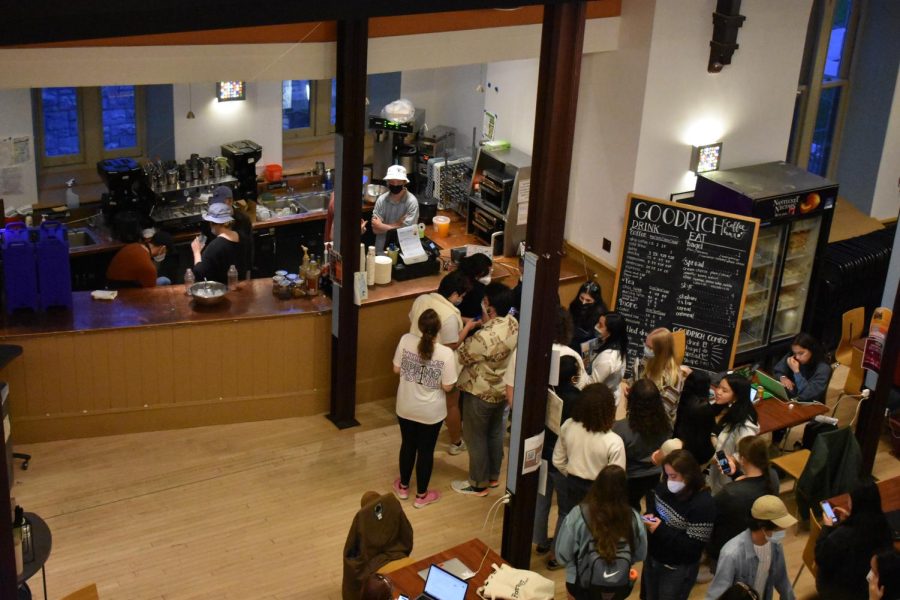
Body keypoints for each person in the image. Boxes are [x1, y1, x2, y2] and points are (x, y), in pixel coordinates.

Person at [451, 283, 518, 497]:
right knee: (495, 432)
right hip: (503, 390)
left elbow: (462, 355)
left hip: (479, 392)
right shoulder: (513, 323)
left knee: (475, 436)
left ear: (490, 307)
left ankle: (478, 484)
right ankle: (493, 476)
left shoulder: (484, 338)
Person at [551, 383, 625, 569]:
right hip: (599, 490)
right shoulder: (613, 441)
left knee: (566, 517)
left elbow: (558, 460)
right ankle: (588, 559)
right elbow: (617, 475)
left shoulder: (568, 425)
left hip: (572, 482)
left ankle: (558, 555)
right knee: (596, 525)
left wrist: (573, 472)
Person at [392, 309, 458, 509]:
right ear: (439, 329)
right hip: (431, 412)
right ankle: (421, 495)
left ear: (419, 326)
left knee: (408, 445)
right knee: (426, 451)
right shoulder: (445, 354)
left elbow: (396, 368)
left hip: (405, 405)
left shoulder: (406, 340)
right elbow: (448, 386)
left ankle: (403, 487)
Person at [555, 465, 648, 600]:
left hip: (580, 583)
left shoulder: (578, 514)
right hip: (618, 582)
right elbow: (640, 553)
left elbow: (563, 554)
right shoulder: (633, 517)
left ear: (597, 485)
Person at [408, 270, 474, 456]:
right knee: (451, 404)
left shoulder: (421, 300)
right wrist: (467, 327)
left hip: (416, 360)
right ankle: (456, 442)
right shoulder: (450, 316)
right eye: (462, 296)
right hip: (441, 367)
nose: (462, 299)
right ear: (454, 294)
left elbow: (422, 319)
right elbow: (453, 343)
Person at [642, 449, 716, 600]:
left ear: (688, 476)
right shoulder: (665, 487)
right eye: (667, 475)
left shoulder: (703, 504)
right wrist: (650, 515)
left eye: (673, 476)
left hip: (676, 568)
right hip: (653, 557)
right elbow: (653, 501)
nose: (669, 480)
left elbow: (693, 547)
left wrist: (659, 528)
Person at [533, 356, 581, 558]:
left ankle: (541, 542)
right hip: (564, 461)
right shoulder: (578, 399)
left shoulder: (545, 392)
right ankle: (556, 554)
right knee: (564, 509)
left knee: (541, 500)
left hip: (543, 454)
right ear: (574, 376)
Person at [705, 495, 796, 600]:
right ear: (763, 527)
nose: (782, 531)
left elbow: (782, 579)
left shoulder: (775, 545)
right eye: (779, 529)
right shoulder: (731, 554)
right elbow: (717, 594)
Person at [708, 436, 778, 567]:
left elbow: (710, 515)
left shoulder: (730, 493)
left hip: (727, 549)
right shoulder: (773, 478)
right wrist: (736, 474)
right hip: (756, 544)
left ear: (742, 459)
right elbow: (752, 482)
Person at [815, 481, 893, 599]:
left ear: (855, 503)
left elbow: (820, 556)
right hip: (869, 587)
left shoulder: (842, 535)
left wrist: (827, 527)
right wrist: (850, 518)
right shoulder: (883, 526)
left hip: (840, 591)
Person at [612, 378, 671, 511]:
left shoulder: (621, 428)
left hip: (631, 478)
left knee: (629, 508)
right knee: (653, 509)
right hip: (655, 476)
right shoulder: (666, 425)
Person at [708, 374, 759, 495]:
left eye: (724, 390)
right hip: (709, 463)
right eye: (719, 387)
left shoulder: (745, 422)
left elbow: (747, 450)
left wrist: (732, 459)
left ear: (736, 396)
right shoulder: (720, 405)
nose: (718, 392)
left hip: (722, 471)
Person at [674, 369, 724, 467]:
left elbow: (656, 460)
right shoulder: (714, 443)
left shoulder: (673, 445)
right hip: (698, 477)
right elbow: (724, 463)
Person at [637, 328, 684, 425]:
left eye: (650, 348)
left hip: (657, 426)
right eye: (646, 345)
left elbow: (661, 414)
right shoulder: (647, 360)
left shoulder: (673, 378)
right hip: (639, 416)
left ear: (661, 352)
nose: (646, 350)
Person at [191, 203, 243, 284]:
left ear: (212, 223)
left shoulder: (215, 246)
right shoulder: (241, 236)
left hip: (221, 289)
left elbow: (199, 273)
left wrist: (196, 252)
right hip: (239, 285)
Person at [371, 165, 418, 253]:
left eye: (398, 181)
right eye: (392, 181)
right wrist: (397, 224)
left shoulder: (412, 202)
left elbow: (407, 231)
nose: (395, 184)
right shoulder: (381, 200)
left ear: (404, 182)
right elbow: (376, 229)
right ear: (388, 182)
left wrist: (383, 226)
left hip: (404, 251)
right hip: (381, 251)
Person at [772, 332, 831, 403]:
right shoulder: (793, 357)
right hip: (790, 398)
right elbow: (777, 371)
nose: (797, 357)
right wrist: (783, 377)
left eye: (801, 353)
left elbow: (806, 395)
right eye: (794, 353)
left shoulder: (823, 369)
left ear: (812, 350)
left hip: (808, 404)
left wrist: (796, 372)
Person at [206, 185, 252, 276]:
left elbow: (249, 248)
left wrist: (248, 272)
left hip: (238, 270)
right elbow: (204, 240)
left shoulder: (243, 220)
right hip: (217, 269)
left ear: (230, 201)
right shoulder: (210, 218)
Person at [105, 230, 173, 288]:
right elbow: (151, 292)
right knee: (165, 280)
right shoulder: (148, 267)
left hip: (111, 284)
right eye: (165, 252)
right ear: (163, 248)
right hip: (124, 293)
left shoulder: (133, 246)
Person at [588, 311, 628, 398]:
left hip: (599, 398)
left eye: (600, 325)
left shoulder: (607, 358)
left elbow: (591, 386)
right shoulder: (606, 341)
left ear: (611, 332)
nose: (596, 326)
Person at [568, 281, 608, 351]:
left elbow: (598, 340)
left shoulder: (600, 313)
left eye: (588, 300)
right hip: (569, 341)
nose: (583, 303)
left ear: (595, 300)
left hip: (586, 349)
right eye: (581, 298)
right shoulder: (574, 305)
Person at [456, 253, 494, 321]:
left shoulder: (456, 275)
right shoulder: (478, 289)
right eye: (489, 271)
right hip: (470, 320)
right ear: (482, 272)